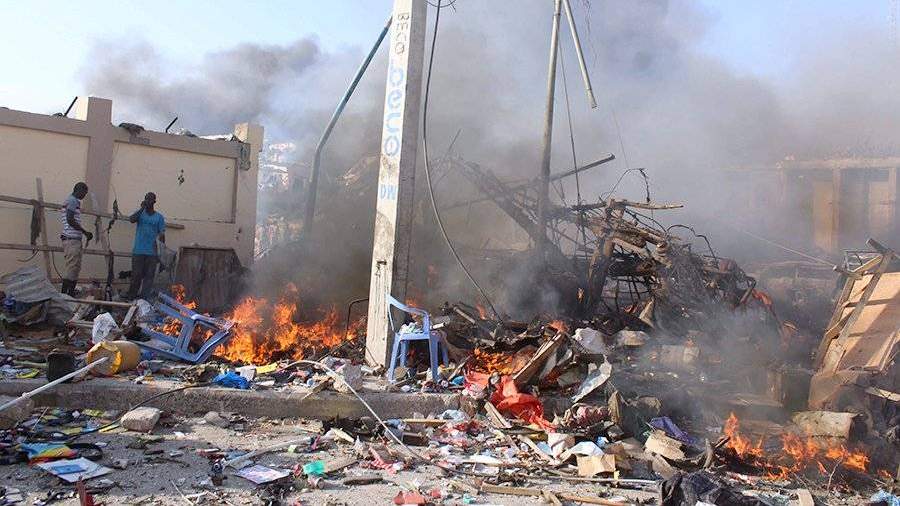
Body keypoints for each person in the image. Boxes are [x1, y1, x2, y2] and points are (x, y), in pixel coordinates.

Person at [126, 192, 166, 300]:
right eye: (146, 199)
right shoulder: (140, 214)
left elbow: (162, 236)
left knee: (149, 277)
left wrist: (162, 253)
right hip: (138, 251)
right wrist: (141, 208)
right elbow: (131, 219)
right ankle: (131, 298)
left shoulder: (159, 217)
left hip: (152, 253)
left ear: (154, 201)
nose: (148, 201)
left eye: (150, 199)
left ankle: (144, 300)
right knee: (136, 275)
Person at [60, 182, 93, 296]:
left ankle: (69, 294)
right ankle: (65, 295)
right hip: (71, 239)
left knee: (75, 268)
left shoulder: (73, 201)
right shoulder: (72, 200)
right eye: (84, 193)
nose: (84, 195)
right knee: (72, 268)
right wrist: (85, 232)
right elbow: (70, 219)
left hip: (73, 239)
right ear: (79, 190)